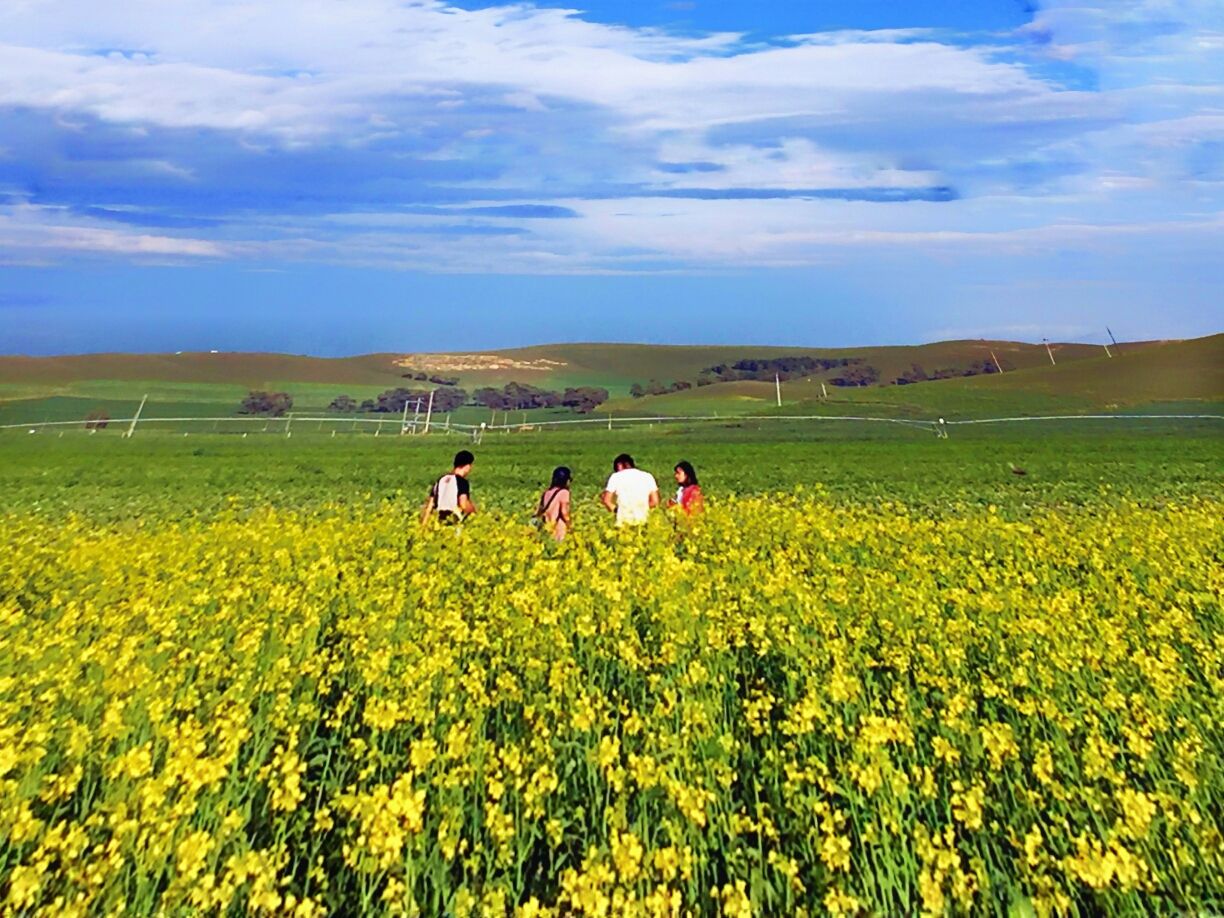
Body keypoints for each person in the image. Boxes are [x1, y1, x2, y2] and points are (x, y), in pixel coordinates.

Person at [601, 453, 659, 526]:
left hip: (623, 522)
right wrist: (642, 509)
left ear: (619, 465)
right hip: (643, 521)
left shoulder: (615, 477)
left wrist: (617, 511)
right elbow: (655, 501)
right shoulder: (648, 476)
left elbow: (607, 500)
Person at [421, 450, 476, 526]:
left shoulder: (440, 480)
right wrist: (473, 510)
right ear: (467, 466)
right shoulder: (462, 482)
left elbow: (429, 507)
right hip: (453, 522)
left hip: (439, 522)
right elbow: (463, 505)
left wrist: (423, 526)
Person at [535, 466, 573, 541]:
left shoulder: (546, 493)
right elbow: (564, 512)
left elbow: (540, 510)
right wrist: (570, 526)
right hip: (558, 528)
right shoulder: (564, 492)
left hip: (547, 527)